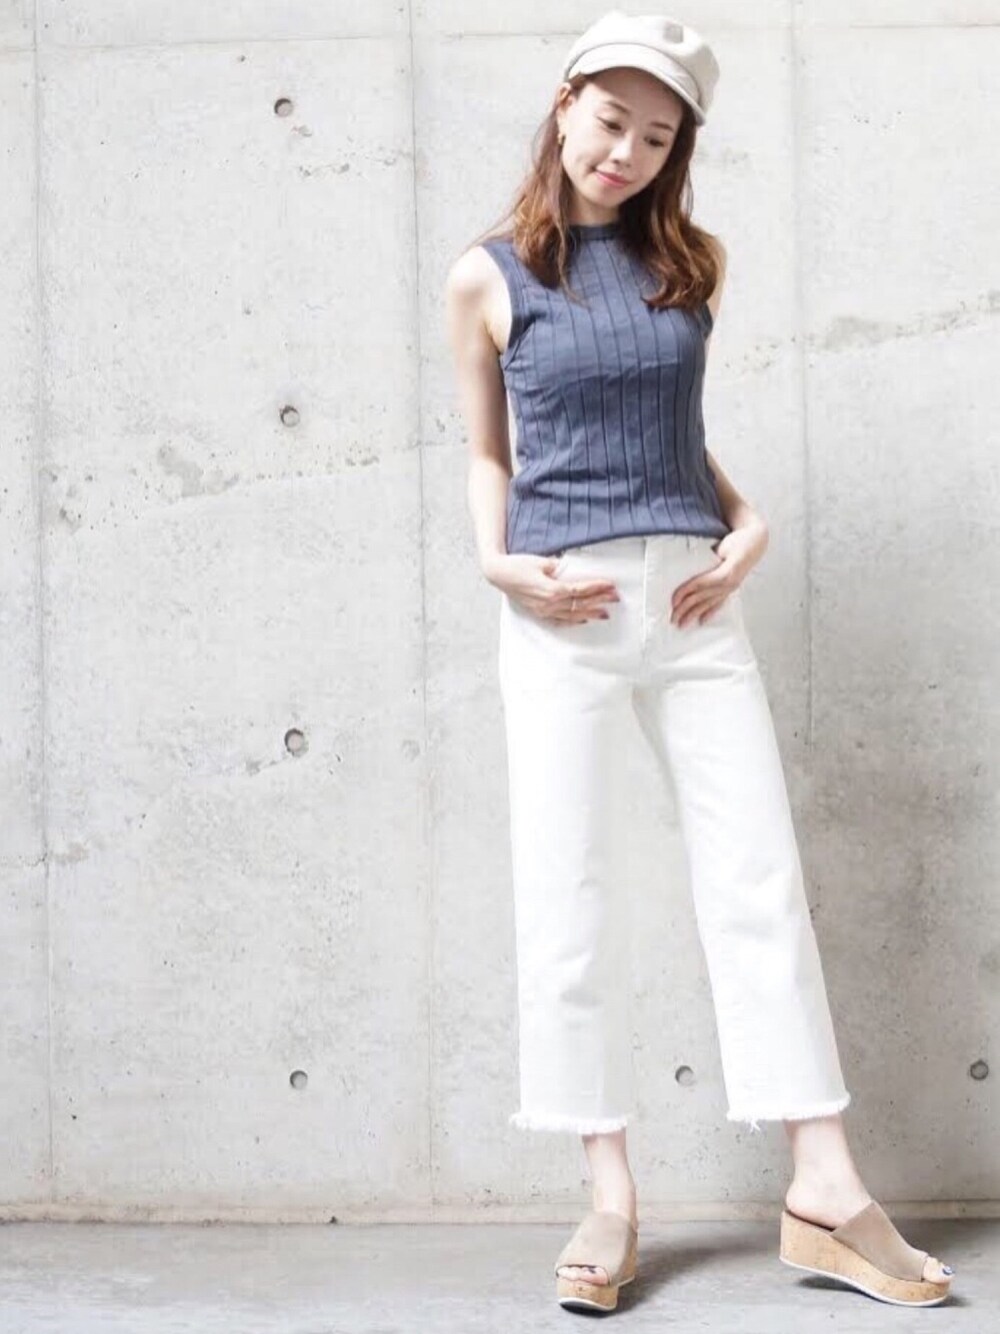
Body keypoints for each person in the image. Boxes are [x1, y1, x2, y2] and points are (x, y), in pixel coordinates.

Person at [443, 9, 954, 1315]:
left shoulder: (689, 265)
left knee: (758, 881)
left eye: (658, 136)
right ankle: (611, 1195)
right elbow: (490, 450)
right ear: (566, 104)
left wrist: (749, 519)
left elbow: (666, 423)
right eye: (612, 120)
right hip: (561, 605)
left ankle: (824, 1186)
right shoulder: (488, 277)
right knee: (570, 890)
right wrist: (497, 562)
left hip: (691, 597)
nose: (626, 151)